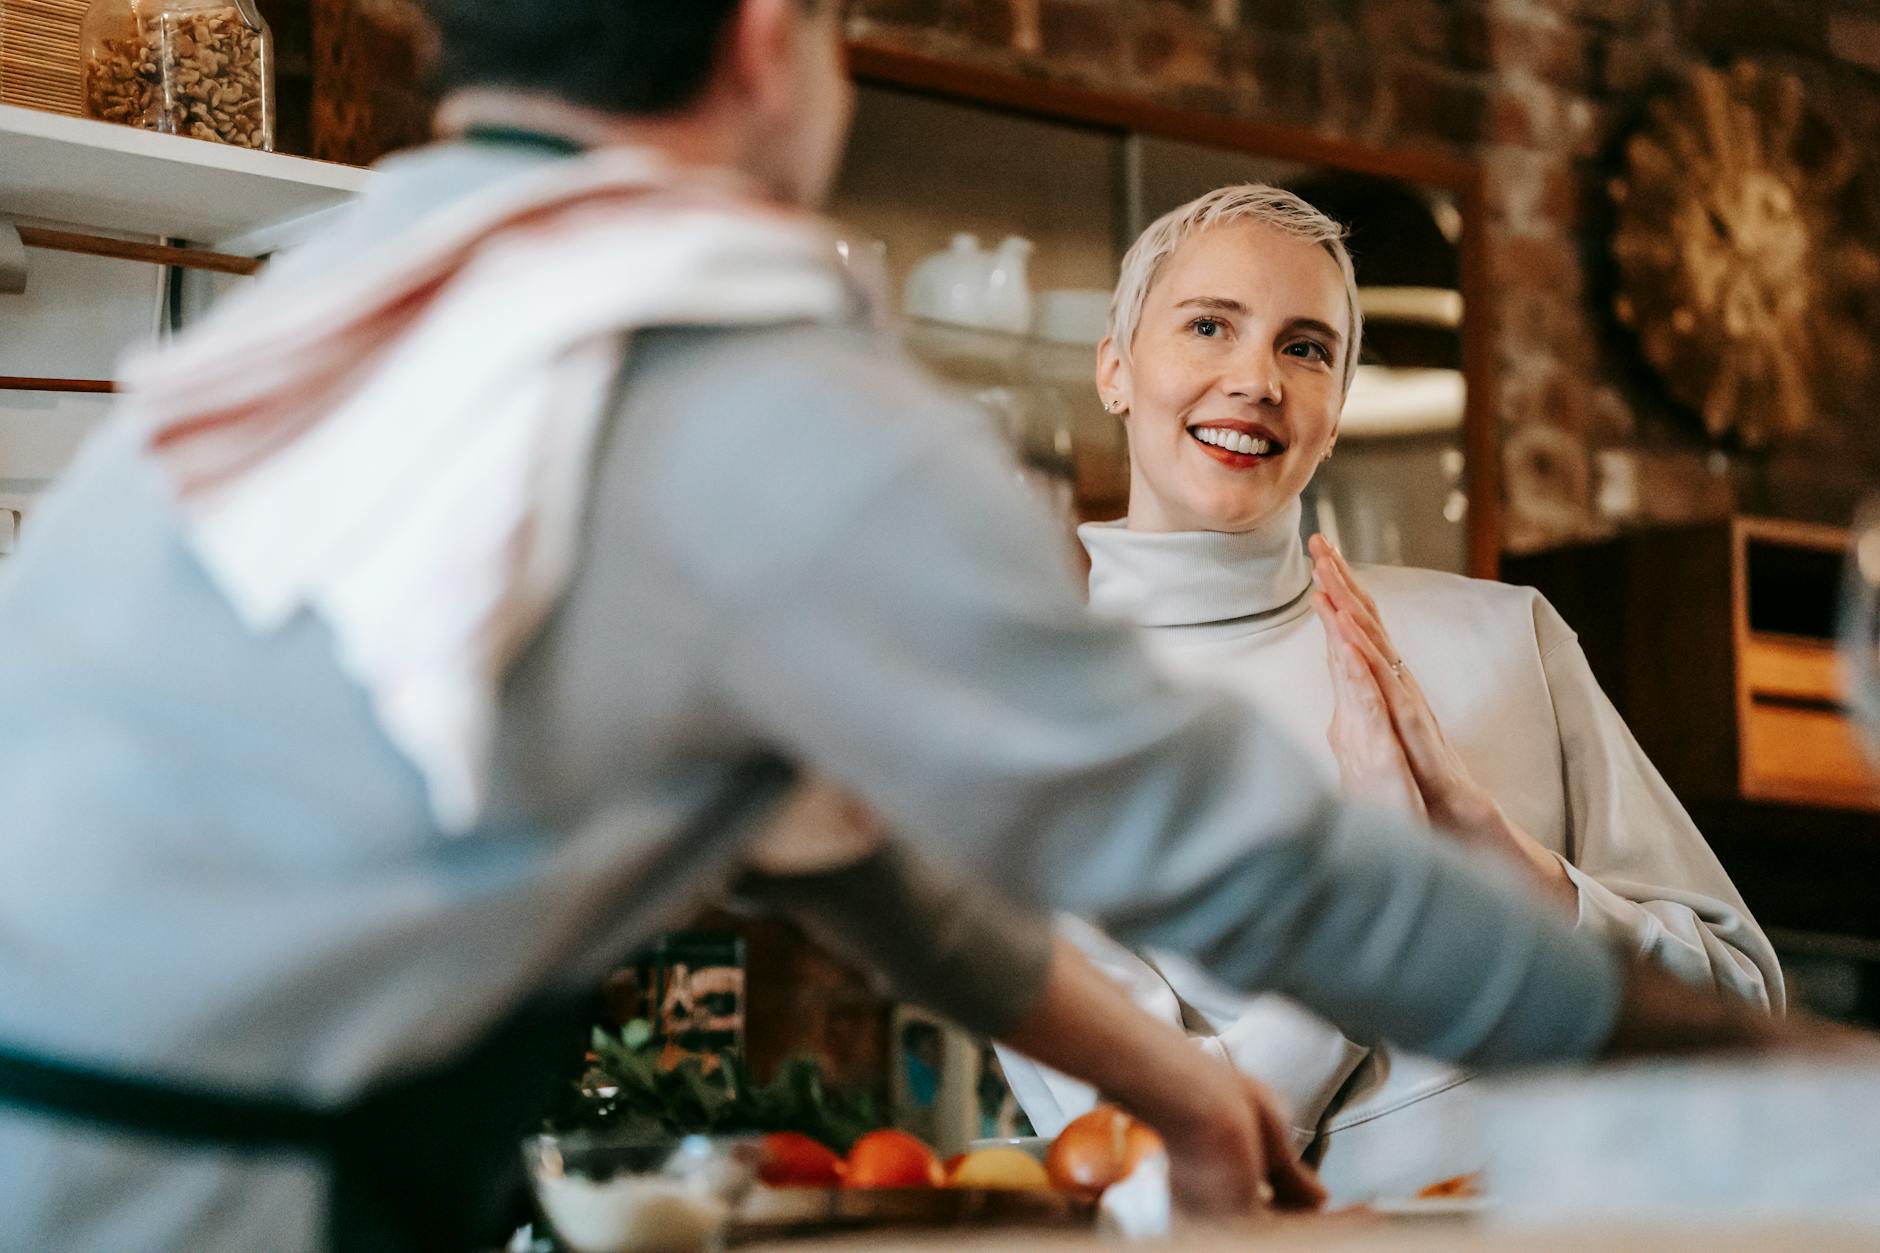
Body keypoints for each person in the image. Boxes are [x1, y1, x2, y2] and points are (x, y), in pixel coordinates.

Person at [0, 4, 1780, 1249]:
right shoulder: (745, 383)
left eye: (1307, 342)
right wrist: (1815, 1090)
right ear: (775, 41)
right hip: (217, 1191)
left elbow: (830, 836)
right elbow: (1252, 864)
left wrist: (1175, 1080)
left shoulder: (335, 304)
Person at [994, 184, 1783, 1201]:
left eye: (1305, 347)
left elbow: (1748, 1010)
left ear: (1333, 415)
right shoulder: (1027, 732)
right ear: (1114, 366)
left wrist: (1509, 862)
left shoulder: (1507, 637)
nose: (1255, 378)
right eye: (1206, 326)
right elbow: (1141, 1164)